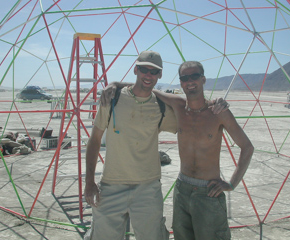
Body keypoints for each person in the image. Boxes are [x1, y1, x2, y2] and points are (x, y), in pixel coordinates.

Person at [84, 50, 228, 240]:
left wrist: (216, 104)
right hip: (111, 186)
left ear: (160, 75)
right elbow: (94, 141)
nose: (148, 75)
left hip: (147, 189)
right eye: (144, 69)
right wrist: (89, 182)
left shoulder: (161, 107)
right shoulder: (112, 100)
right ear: (136, 70)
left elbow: (195, 115)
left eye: (154, 72)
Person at [152, 61, 254, 240]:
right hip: (182, 189)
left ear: (203, 79)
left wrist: (231, 184)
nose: (190, 81)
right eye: (185, 78)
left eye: (195, 76)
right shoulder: (178, 106)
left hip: (208, 192)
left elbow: (247, 147)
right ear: (181, 83)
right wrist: (114, 85)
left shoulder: (217, 112)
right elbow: (150, 89)